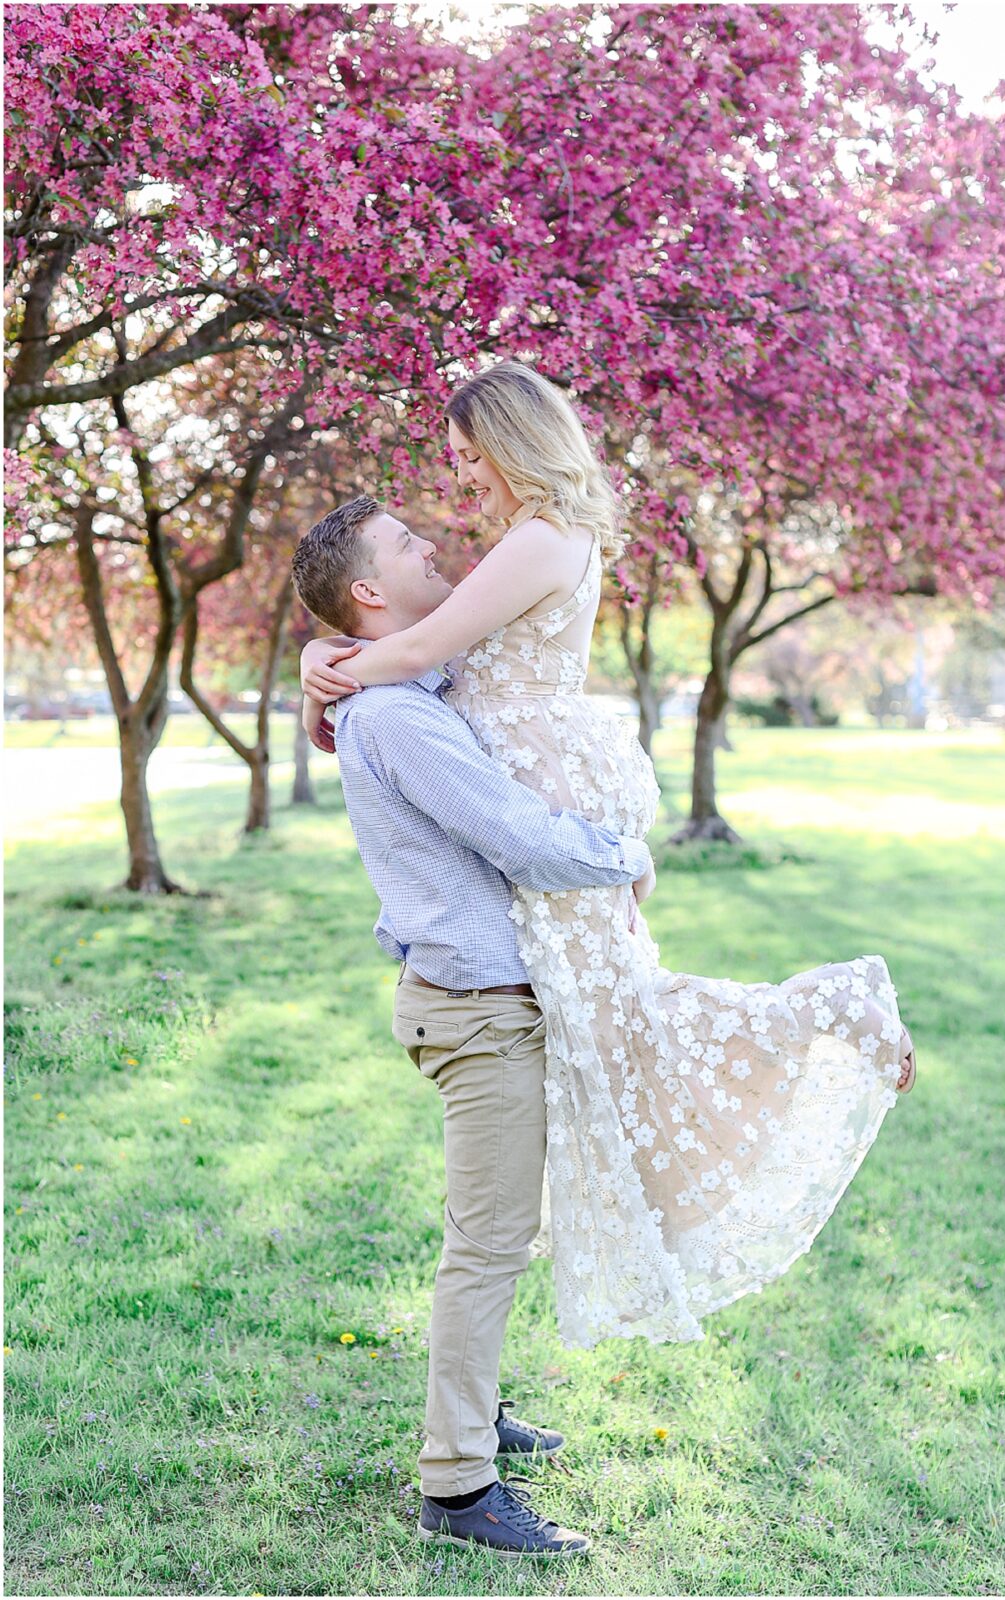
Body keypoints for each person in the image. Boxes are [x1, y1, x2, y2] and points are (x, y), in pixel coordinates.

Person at [301, 360, 916, 1358]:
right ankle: (817, 1020)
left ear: (510, 444)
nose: (467, 484)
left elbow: (419, 654)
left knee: (624, 1028)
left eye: (471, 459)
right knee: (617, 1025)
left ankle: (832, 1008)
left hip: (543, 792)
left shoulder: (541, 537)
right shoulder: (544, 537)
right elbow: (432, 653)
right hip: (546, 779)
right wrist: (315, 665)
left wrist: (323, 670)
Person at [290, 495, 659, 1558]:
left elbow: (477, 685)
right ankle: (457, 1482)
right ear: (369, 589)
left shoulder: (407, 683)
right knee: (488, 1244)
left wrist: (324, 657)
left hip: (485, 997)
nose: (434, 545)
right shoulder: (398, 714)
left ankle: (476, 1412)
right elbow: (510, 831)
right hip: (477, 1011)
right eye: (408, 545)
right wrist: (620, 853)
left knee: (500, 1230)